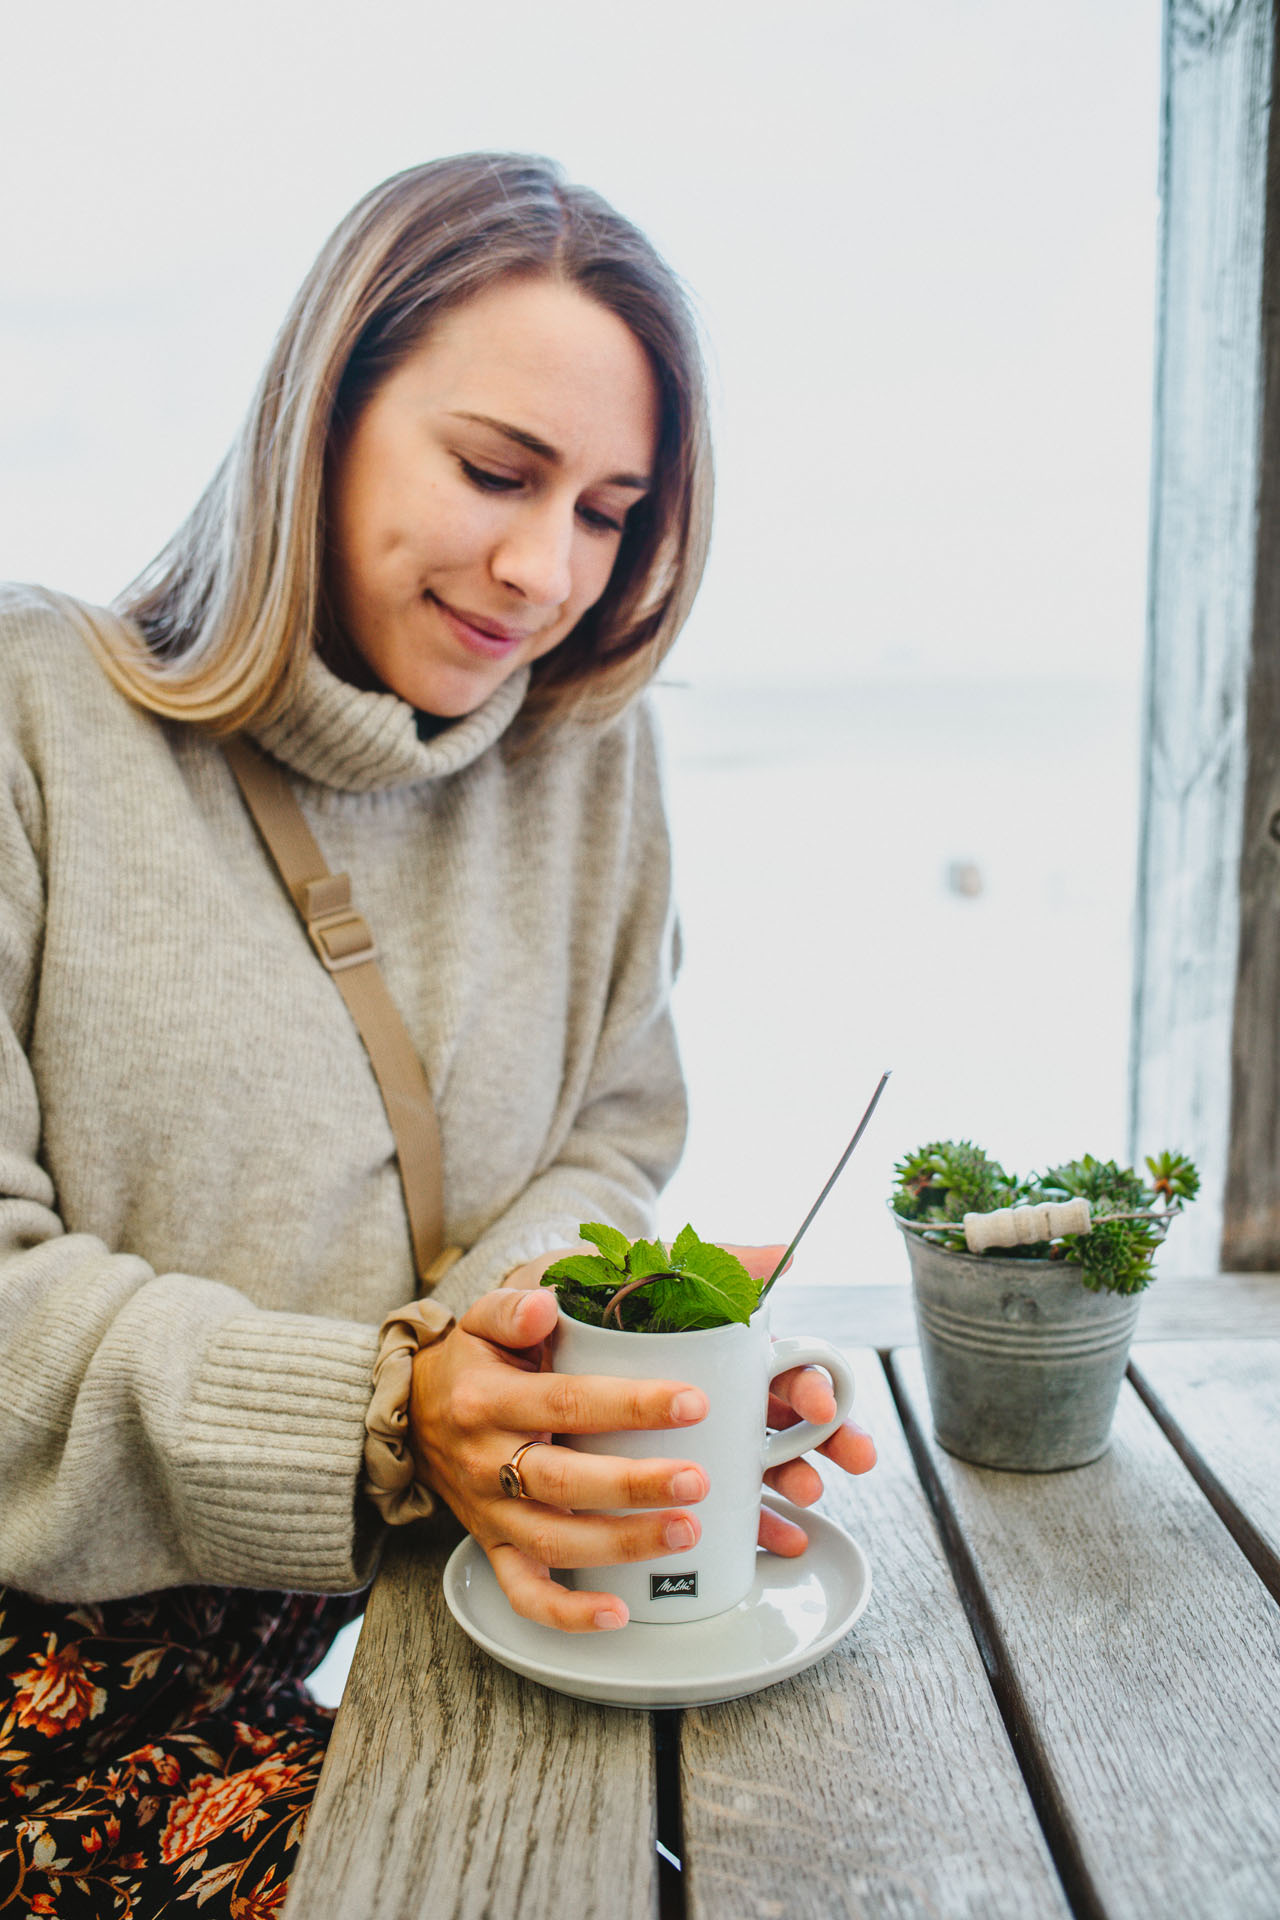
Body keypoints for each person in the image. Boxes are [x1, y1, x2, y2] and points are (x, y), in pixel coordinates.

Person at [0, 153, 875, 1917]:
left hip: (387, 1609)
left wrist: (607, 1365)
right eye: (495, 471)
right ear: (315, 418)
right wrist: (393, 1412)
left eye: (611, 511)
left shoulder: (587, 761)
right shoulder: (34, 721)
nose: (544, 569)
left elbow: (608, 1140)